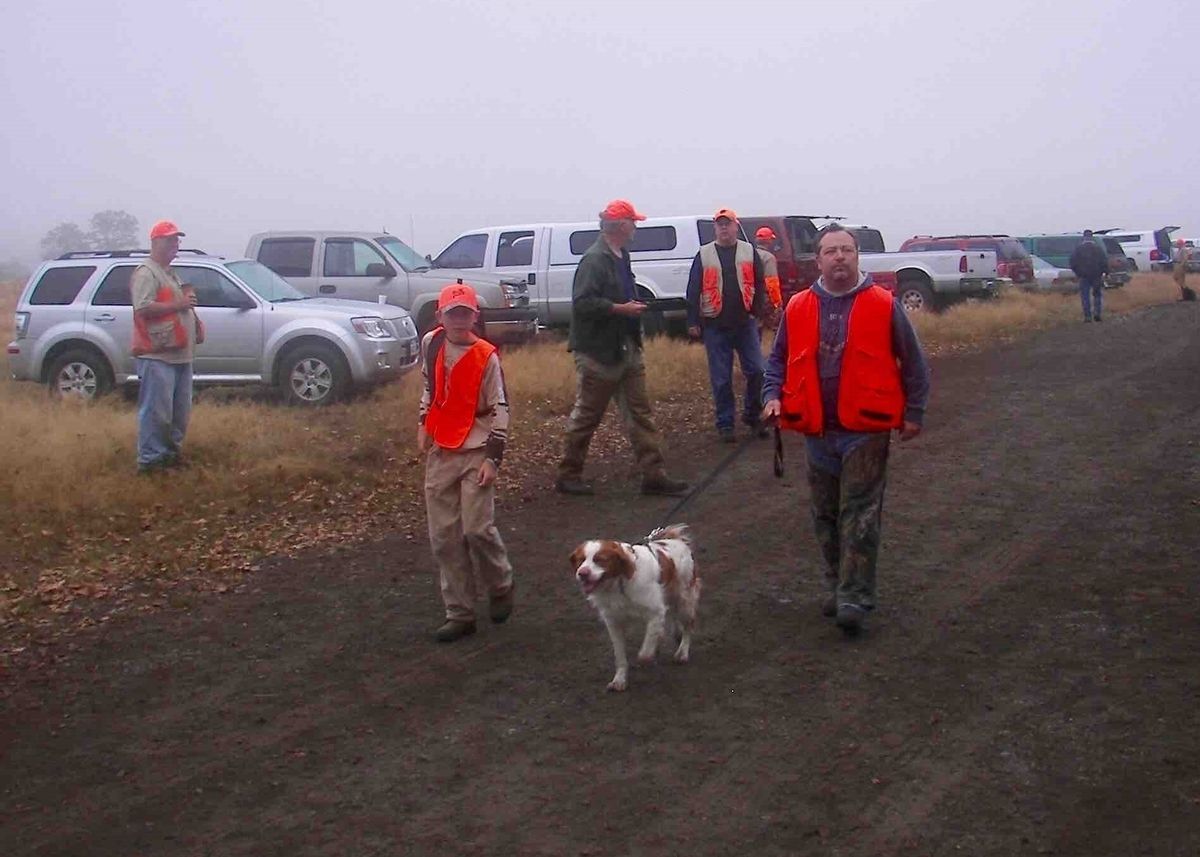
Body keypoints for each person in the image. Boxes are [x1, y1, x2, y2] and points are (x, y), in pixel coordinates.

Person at [761, 224, 930, 636]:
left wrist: (915, 412)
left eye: (846, 250)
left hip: (866, 429)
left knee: (860, 514)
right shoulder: (798, 306)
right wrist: (772, 396)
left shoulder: (884, 304)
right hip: (818, 430)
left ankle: (854, 595)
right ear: (817, 260)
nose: (839, 257)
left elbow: (914, 362)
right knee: (825, 515)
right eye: (831, 251)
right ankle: (837, 584)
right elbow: (778, 361)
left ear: (857, 257)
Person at [556, 199, 689, 497]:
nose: (636, 227)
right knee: (587, 415)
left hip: (626, 348)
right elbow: (583, 303)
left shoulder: (620, 254)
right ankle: (568, 474)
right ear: (621, 226)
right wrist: (620, 309)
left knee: (640, 413)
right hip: (597, 353)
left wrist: (631, 311)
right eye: (633, 222)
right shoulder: (594, 260)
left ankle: (654, 475)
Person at [418, 282, 515, 642]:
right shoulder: (432, 344)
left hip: (477, 448)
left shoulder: (487, 356)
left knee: (477, 528)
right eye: (452, 313)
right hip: (442, 448)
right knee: (444, 536)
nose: (459, 320)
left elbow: (501, 407)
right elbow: (428, 387)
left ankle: (501, 583)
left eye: (465, 314)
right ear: (440, 316)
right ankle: (460, 613)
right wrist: (422, 422)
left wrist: (494, 458)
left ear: (475, 316)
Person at [686, 208, 768, 443]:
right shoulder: (703, 254)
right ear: (715, 228)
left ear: (735, 226)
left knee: (757, 371)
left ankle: (753, 416)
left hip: (745, 323)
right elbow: (693, 290)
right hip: (715, 325)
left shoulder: (749, 251)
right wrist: (692, 321)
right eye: (719, 224)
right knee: (721, 378)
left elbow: (760, 283)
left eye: (727, 224)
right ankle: (725, 423)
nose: (724, 228)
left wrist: (759, 313)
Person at [131, 220, 204, 474]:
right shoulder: (146, 272)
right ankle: (150, 462)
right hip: (157, 354)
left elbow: (180, 304)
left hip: (180, 353)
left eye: (177, 240)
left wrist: (195, 322)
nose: (176, 245)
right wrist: (181, 306)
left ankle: (170, 456)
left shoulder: (170, 272)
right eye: (170, 240)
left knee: (178, 413)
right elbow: (143, 307)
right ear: (156, 243)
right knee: (156, 412)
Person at [1069, 230, 1108, 323]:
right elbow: (1104, 261)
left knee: (1085, 296)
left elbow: (1072, 263)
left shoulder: (1078, 249)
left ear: (1083, 237)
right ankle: (1097, 313)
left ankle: (1087, 316)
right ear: (1092, 237)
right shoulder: (1098, 249)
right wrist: (1106, 272)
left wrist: (1078, 273)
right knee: (1097, 295)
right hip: (1096, 275)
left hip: (1083, 276)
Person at [754, 225, 784, 333]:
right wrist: (777, 303)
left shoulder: (749, 254)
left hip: (750, 297)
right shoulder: (768, 258)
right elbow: (772, 283)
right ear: (769, 241)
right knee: (778, 328)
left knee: (755, 327)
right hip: (764, 298)